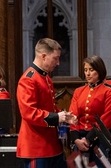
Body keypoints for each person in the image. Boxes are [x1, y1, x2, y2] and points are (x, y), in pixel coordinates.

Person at [16, 38, 77, 168]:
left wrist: (64, 116)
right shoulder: (28, 79)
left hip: (51, 144)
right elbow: (29, 112)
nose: (58, 63)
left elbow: (50, 107)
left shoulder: (45, 77)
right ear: (44, 56)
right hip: (36, 146)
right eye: (55, 58)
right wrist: (56, 118)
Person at [68, 55, 111, 167]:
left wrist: (88, 139)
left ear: (100, 70)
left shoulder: (107, 91)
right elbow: (73, 116)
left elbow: (106, 119)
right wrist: (76, 139)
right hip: (80, 139)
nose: (87, 73)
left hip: (100, 139)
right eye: (86, 70)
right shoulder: (78, 91)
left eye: (91, 70)